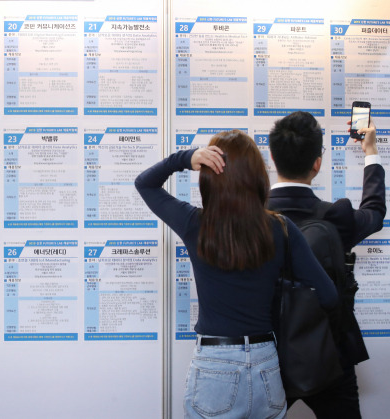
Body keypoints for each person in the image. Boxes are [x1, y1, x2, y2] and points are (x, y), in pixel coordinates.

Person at [135, 130, 338, 419]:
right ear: (257, 176)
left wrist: (186, 158)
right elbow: (328, 294)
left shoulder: (195, 224)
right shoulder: (280, 228)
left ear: (209, 175)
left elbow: (145, 183)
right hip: (267, 361)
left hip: (214, 362)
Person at [268, 111, 385, 418]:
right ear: (317, 164)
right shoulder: (336, 217)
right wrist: (370, 151)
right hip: (330, 357)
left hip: (266, 358)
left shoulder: (251, 218)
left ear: (272, 156)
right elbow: (373, 212)